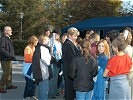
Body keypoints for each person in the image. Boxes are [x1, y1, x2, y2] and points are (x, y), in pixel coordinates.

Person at [103, 35, 132, 100]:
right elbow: (130, 68)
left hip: (116, 85)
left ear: (116, 47)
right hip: (125, 84)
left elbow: (104, 74)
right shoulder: (127, 57)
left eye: (113, 46)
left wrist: (112, 75)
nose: (112, 47)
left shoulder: (113, 59)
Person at [62, 27, 80, 100]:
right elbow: (73, 58)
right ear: (70, 35)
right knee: (69, 89)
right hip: (70, 70)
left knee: (69, 89)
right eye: (75, 36)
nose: (76, 38)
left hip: (69, 69)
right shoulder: (68, 44)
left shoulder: (69, 43)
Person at [32, 34, 51, 100]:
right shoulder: (43, 49)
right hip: (43, 72)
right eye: (48, 39)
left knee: (42, 90)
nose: (49, 41)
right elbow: (47, 62)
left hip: (40, 72)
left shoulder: (38, 48)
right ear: (44, 41)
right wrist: (50, 57)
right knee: (44, 91)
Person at [0, 26, 17, 93]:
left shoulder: (7, 38)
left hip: (8, 58)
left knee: (9, 72)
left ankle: (9, 84)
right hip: (5, 59)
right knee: (6, 73)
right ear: (5, 31)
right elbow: (2, 49)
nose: (11, 31)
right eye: (10, 30)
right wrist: (9, 55)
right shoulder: (3, 39)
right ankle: (1, 86)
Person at [23, 35, 38, 100]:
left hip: (33, 67)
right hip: (28, 68)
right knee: (29, 83)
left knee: (34, 83)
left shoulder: (33, 47)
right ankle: (26, 96)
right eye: (36, 42)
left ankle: (32, 95)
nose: (37, 43)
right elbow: (27, 59)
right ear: (33, 42)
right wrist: (35, 59)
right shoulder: (28, 48)